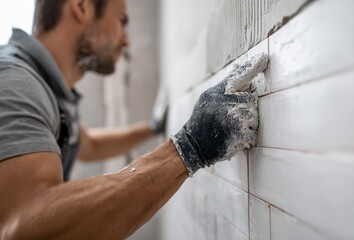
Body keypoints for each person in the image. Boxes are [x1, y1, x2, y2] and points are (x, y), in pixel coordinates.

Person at [0, 0, 264, 239]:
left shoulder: (48, 89)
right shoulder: (16, 81)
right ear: (81, 7)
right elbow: (23, 227)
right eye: (121, 22)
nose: (125, 41)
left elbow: (88, 144)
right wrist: (189, 148)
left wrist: (152, 128)